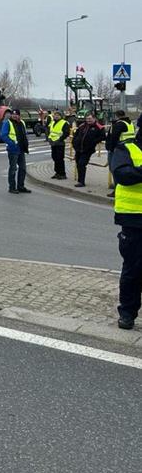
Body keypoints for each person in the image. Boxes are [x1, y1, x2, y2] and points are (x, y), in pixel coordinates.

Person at [110, 128, 142, 330]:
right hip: (133, 219)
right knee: (133, 268)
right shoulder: (126, 148)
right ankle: (128, 313)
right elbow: (122, 174)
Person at [72, 113, 105, 188]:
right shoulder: (82, 126)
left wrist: (93, 141)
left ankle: (81, 181)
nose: (88, 120)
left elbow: (103, 137)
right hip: (78, 148)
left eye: (90, 119)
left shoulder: (98, 127)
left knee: (82, 164)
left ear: (94, 118)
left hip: (87, 150)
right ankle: (80, 180)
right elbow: (76, 135)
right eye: (87, 119)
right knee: (78, 164)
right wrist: (74, 142)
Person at [106, 111, 134, 198]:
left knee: (114, 169)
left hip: (118, 149)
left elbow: (114, 137)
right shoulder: (130, 123)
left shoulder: (118, 124)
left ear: (116, 116)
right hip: (129, 148)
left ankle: (117, 189)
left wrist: (111, 148)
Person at [47, 109, 71, 179]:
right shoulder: (52, 122)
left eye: (58, 115)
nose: (56, 116)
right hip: (53, 143)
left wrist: (60, 139)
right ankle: (57, 172)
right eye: (55, 115)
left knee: (60, 159)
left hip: (60, 143)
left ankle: (62, 174)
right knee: (54, 157)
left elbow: (67, 133)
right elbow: (50, 131)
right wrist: (49, 138)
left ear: (61, 116)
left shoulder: (64, 123)